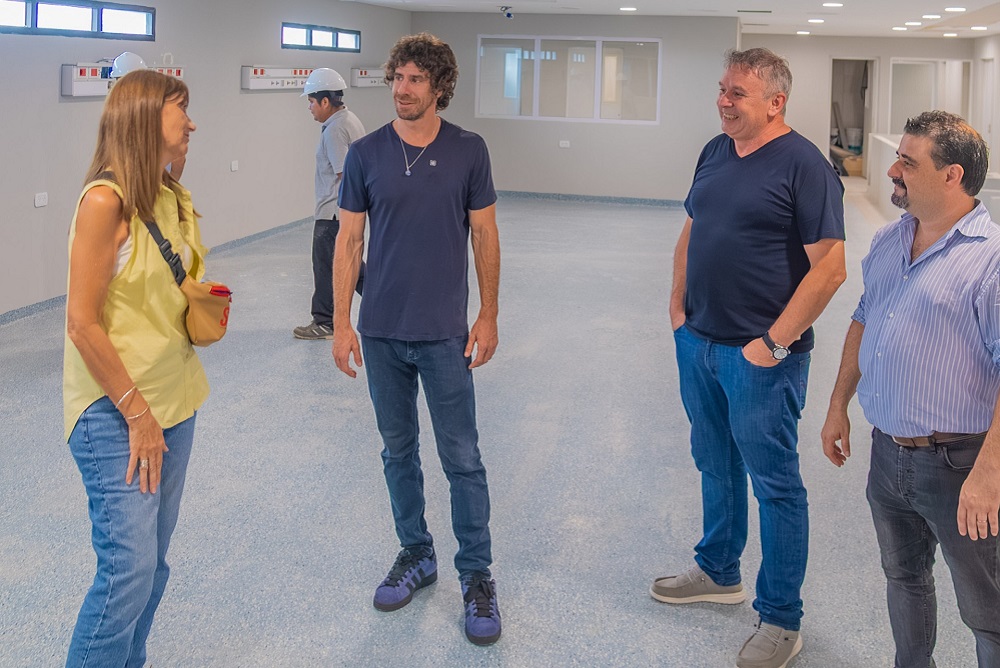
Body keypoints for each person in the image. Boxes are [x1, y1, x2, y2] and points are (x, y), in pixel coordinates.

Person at [650, 47, 847, 668]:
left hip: (761, 358)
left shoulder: (805, 166)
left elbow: (831, 269)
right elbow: (692, 229)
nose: (723, 101)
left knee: (775, 484)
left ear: (775, 102)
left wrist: (774, 342)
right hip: (699, 342)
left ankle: (781, 618)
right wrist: (678, 307)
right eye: (722, 89)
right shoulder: (715, 151)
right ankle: (718, 569)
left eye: (737, 93)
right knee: (714, 460)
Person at [331, 33, 502, 646]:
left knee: (462, 458)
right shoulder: (366, 154)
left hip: (444, 335)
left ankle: (476, 577)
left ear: (439, 87)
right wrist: (341, 322)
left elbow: (484, 235)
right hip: (381, 332)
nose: (401, 90)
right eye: (397, 78)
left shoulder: (468, 151)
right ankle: (416, 553)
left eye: (415, 80)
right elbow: (349, 239)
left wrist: (488, 315)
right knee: (397, 451)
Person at [821, 111, 1000, 667]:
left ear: (951, 175)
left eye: (907, 161)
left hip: (960, 465)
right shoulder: (890, 239)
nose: (892, 170)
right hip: (888, 455)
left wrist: (989, 475)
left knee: (988, 611)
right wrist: (838, 406)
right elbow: (863, 318)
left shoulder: (991, 260)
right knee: (904, 579)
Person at [63, 69, 208, 667]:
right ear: (147, 119)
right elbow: (81, 323)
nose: (192, 123)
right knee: (128, 568)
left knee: (153, 563)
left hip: (175, 399)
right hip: (116, 410)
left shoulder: (167, 195)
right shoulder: (104, 203)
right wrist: (138, 414)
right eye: (181, 111)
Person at [292, 68, 366, 340]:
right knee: (352, 265)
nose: (309, 107)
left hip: (332, 212)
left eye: (312, 101)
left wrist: (344, 215)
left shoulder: (335, 130)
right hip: (341, 211)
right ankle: (388, 304)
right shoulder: (349, 119)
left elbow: (344, 174)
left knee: (325, 267)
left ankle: (324, 322)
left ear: (325, 101)